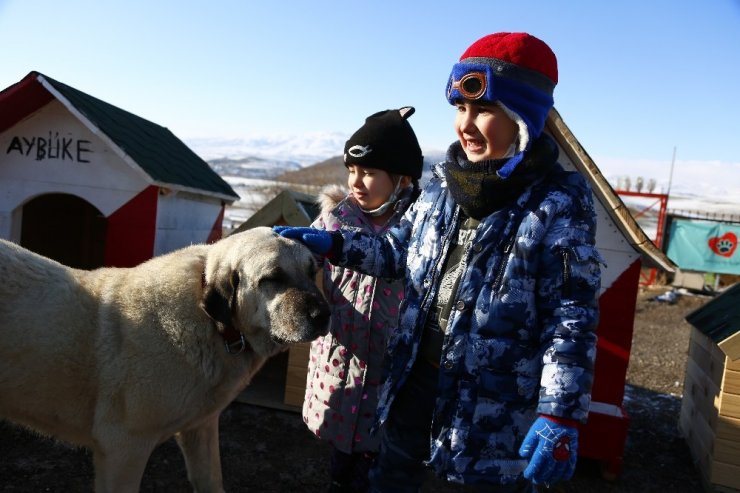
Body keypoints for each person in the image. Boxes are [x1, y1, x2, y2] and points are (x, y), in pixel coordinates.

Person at [277, 32, 603, 493]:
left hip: (491, 412)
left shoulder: (557, 204)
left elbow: (570, 316)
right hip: (412, 386)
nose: (465, 125)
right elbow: (395, 253)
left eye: (484, 109)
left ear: (523, 118)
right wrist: (335, 246)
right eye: (460, 109)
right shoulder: (441, 188)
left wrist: (559, 410)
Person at [302, 107, 424, 493]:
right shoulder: (333, 221)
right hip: (341, 367)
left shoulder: (421, 232)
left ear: (403, 178)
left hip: (390, 379)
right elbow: (303, 264)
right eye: (352, 170)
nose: (357, 181)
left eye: (369, 171)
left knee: (381, 472)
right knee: (340, 467)